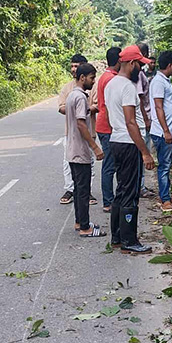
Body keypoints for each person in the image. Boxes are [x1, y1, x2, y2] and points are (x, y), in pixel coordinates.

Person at [106, 45, 156, 254]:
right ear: (132, 64)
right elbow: (130, 122)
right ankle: (129, 240)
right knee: (130, 193)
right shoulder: (127, 87)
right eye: (140, 65)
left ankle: (117, 237)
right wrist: (145, 152)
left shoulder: (111, 84)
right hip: (128, 143)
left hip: (116, 141)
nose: (141, 70)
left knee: (121, 190)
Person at [67, 63, 106, 237]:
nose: (93, 81)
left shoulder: (72, 95)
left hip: (72, 149)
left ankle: (79, 221)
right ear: (82, 78)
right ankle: (85, 228)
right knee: (83, 190)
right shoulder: (81, 98)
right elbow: (81, 124)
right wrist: (95, 147)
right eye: (91, 77)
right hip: (80, 151)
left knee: (78, 188)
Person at [58, 54, 96, 206]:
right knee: (69, 163)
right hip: (71, 133)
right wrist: (79, 108)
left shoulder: (91, 87)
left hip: (89, 132)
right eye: (72, 65)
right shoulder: (68, 89)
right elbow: (61, 107)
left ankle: (87, 191)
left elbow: (97, 105)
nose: (73, 69)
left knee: (89, 163)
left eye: (77, 66)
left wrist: (82, 109)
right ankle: (70, 190)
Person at [149, 51, 172, 211]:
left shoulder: (165, 81)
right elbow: (158, 106)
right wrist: (166, 131)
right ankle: (164, 200)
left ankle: (166, 195)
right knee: (164, 166)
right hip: (162, 133)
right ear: (169, 65)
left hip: (168, 131)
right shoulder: (159, 82)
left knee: (167, 165)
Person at [95, 47, 121, 213]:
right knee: (109, 165)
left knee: (111, 164)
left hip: (104, 124)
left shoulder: (105, 77)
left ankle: (110, 199)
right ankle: (108, 201)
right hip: (107, 126)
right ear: (119, 61)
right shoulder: (111, 79)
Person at [136, 42, 154, 199]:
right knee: (143, 153)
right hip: (143, 119)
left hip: (142, 119)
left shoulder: (139, 74)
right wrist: (147, 120)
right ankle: (140, 187)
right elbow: (140, 99)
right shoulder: (139, 75)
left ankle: (139, 185)